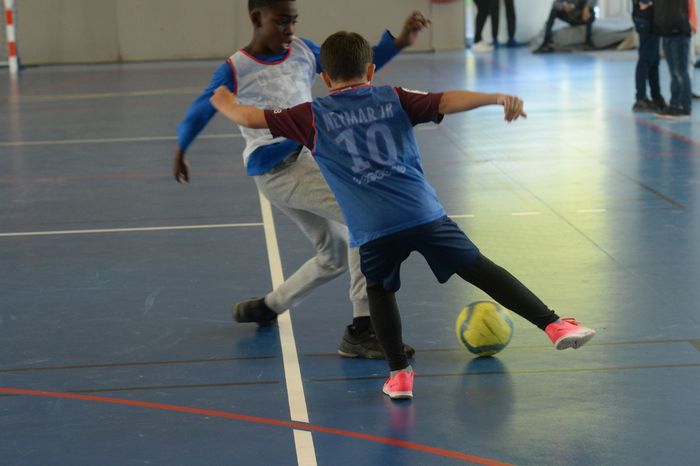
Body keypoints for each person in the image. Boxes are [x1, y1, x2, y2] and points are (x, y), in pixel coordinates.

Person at [209, 31, 597, 400]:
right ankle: (553, 323)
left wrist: (222, 99)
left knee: (379, 292)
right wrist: (495, 97)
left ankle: (398, 375)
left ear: (325, 78)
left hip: (373, 230)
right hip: (423, 215)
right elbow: (446, 101)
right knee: (480, 269)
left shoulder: (310, 114)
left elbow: (249, 119)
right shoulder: (393, 97)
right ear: (371, 71)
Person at [173, 0, 428, 358]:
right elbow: (203, 107)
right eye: (280, 23)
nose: (289, 30)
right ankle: (363, 327)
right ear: (256, 18)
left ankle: (270, 305)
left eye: (293, 22)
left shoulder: (304, 50)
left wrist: (398, 42)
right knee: (362, 219)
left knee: (334, 253)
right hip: (278, 170)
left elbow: (351, 68)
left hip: (307, 158)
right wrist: (181, 148)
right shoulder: (235, 68)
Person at [653, 0, 697, 119]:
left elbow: (690, 4)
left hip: (680, 31)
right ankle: (674, 104)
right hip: (666, 32)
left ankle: (685, 107)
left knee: (680, 71)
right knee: (674, 73)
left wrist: (693, 23)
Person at [631, 0, 666, 112]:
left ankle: (656, 96)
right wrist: (646, 4)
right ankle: (640, 98)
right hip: (646, 16)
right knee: (645, 60)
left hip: (652, 16)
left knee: (654, 60)